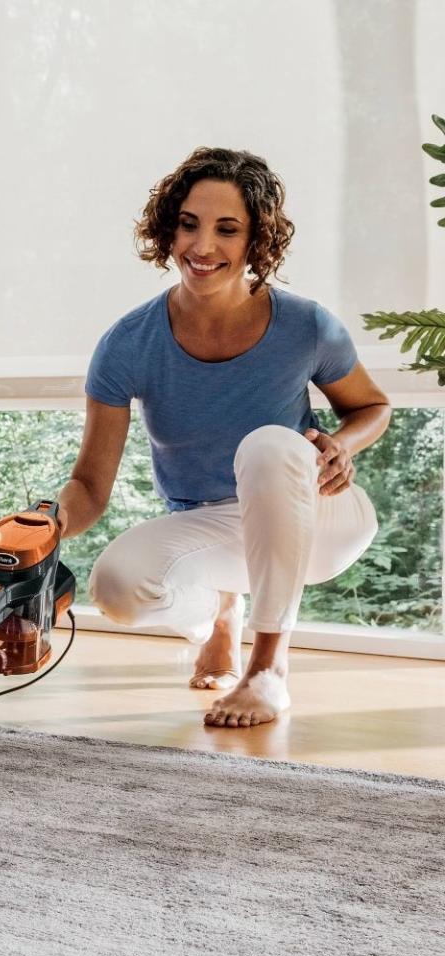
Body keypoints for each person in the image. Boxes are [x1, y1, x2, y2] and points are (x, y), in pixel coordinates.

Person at [56, 147, 390, 729]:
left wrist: (342, 444)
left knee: (268, 445)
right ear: (169, 229)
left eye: (226, 230)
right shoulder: (129, 342)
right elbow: (89, 485)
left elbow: (372, 406)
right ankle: (215, 613)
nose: (202, 247)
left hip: (317, 515)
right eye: (189, 225)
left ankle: (267, 670)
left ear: (255, 240)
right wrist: (46, 524)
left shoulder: (305, 325)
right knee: (116, 586)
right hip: (212, 526)